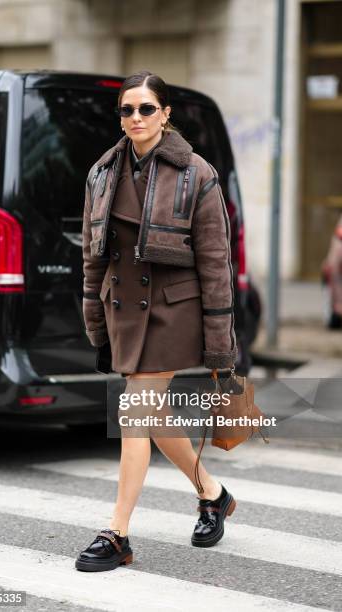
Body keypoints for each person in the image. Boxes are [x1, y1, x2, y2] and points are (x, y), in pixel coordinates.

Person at [76, 70, 238, 572]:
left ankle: (117, 533)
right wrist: (95, 324)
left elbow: (216, 263)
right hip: (122, 310)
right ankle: (213, 494)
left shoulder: (196, 173)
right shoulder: (102, 173)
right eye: (127, 109)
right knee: (152, 417)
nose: (136, 118)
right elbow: (92, 259)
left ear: (165, 114)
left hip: (174, 312)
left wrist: (220, 344)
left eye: (146, 108)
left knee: (132, 413)